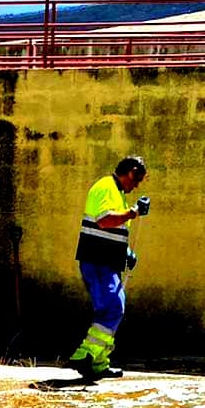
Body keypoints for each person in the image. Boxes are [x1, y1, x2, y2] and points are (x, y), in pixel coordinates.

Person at [68, 155, 148, 381]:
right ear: (131, 172)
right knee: (113, 307)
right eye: (138, 179)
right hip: (97, 261)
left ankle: (99, 362)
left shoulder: (118, 194)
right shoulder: (106, 187)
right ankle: (86, 354)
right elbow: (104, 220)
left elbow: (111, 232)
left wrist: (125, 255)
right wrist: (133, 213)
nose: (137, 185)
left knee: (112, 308)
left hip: (104, 262)